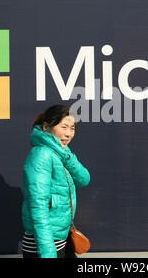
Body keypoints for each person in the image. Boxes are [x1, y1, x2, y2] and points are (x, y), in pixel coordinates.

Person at [21, 105, 90, 258]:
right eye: (64, 127)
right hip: (44, 245)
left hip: (61, 239)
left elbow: (84, 179)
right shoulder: (41, 154)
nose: (68, 134)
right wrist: (47, 252)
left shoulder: (61, 153)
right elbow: (38, 206)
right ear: (46, 127)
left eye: (72, 128)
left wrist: (67, 156)